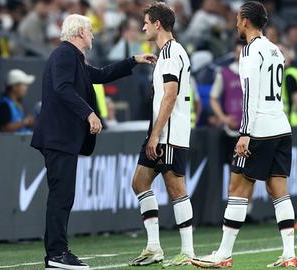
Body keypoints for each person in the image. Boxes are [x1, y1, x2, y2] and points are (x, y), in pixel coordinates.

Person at [30, 14, 155, 270]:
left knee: (63, 195)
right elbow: (63, 88)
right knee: (61, 196)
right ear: (79, 33)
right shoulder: (65, 54)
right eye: (89, 30)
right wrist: (89, 113)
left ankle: (58, 252)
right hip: (58, 137)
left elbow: (99, 74)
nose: (93, 35)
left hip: (61, 138)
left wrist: (133, 60)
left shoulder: (71, 57)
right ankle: (56, 254)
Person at [192, 1, 297, 268]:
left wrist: (244, 133)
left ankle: (223, 254)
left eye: (238, 19)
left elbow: (250, 93)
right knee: (279, 190)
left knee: (237, 188)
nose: (236, 23)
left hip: (259, 129)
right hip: (281, 127)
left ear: (246, 21)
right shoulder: (276, 49)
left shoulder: (251, 51)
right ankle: (289, 254)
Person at [128, 3, 194, 267]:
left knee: (176, 188)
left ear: (157, 24)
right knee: (140, 182)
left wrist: (156, 135)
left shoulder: (170, 53)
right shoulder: (170, 52)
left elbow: (170, 96)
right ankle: (154, 247)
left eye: (146, 22)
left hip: (169, 134)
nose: (142, 27)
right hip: (161, 132)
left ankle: (188, 251)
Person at [210, 41, 244, 163]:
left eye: (242, 53)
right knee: (233, 170)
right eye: (237, 53)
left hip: (250, 131)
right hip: (232, 130)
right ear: (234, 54)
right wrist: (223, 118)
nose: (239, 56)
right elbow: (213, 98)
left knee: (249, 173)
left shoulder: (253, 73)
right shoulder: (224, 73)